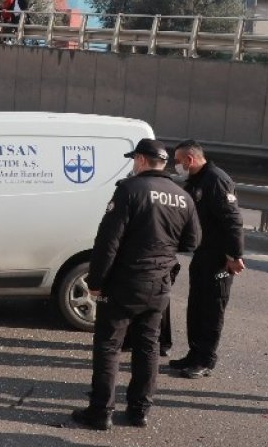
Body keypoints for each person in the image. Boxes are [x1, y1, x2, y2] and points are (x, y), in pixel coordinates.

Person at [72, 139, 200, 431]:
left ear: (141, 160)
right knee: (148, 346)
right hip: (159, 284)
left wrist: (96, 281)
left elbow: (108, 241)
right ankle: (139, 411)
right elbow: (192, 241)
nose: (133, 165)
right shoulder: (183, 197)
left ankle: (100, 412)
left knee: (108, 346)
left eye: (134, 160)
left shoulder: (129, 190)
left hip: (124, 283)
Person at [167, 140, 245, 379]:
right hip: (202, 253)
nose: (177, 166)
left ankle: (205, 360)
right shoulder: (197, 180)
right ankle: (194, 354)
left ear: (190, 159)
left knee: (212, 308)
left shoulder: (216, 180)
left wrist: (234, 255)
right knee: (197, 306)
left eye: (178, 161)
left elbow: (233, 221)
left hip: (219, 257)